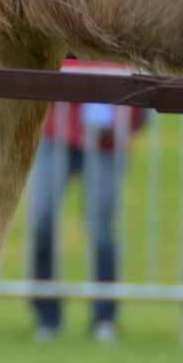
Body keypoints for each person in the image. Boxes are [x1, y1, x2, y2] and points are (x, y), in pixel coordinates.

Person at [25, 62, 140, 343]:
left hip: (108, 142)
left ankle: (104, 317)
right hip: (56, 133)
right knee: (42, 223)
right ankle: (47, 316)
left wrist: (128, 123)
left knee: (102, 232)